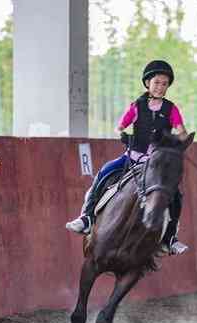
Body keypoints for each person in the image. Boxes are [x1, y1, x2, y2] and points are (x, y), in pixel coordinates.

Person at [65, 60, 189, 255]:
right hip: (133, 158)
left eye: (164, 84)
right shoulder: (137, 106)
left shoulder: (171, 109)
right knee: (104, 172)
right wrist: (124, 135)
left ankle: (169, 238)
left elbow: (181, 130)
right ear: (148, 83)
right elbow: (119, 127)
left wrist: (181, 140)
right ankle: (87, 218)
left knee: (176, 195)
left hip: (155, 163)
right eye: (157, 82)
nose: (160, 87)